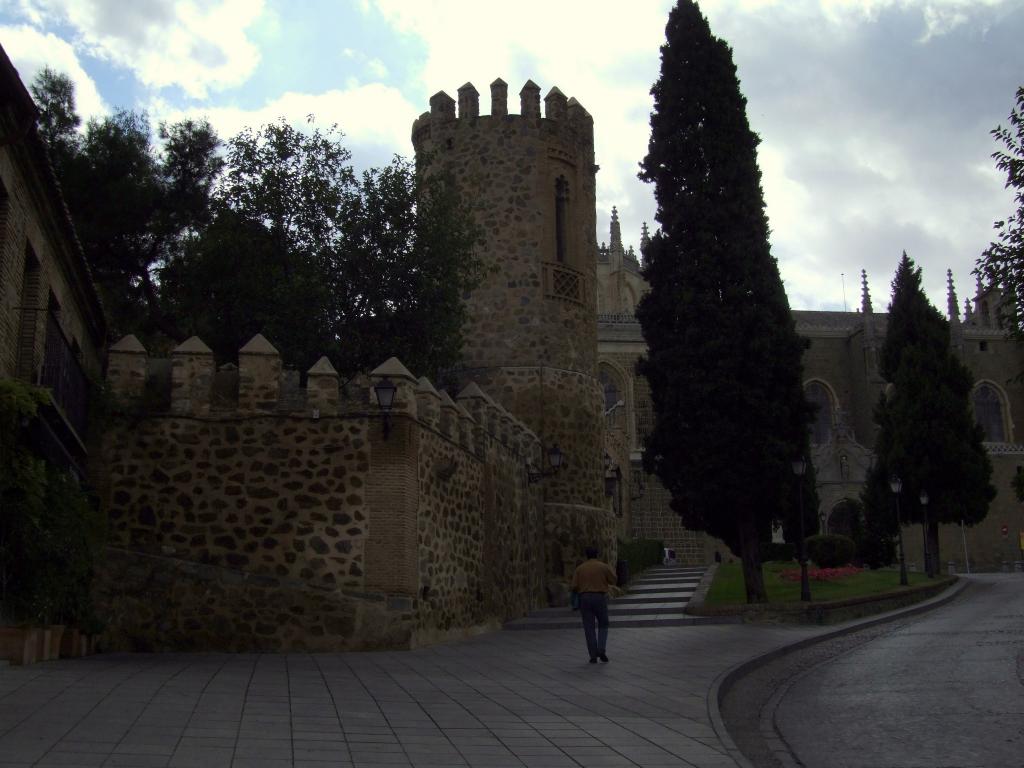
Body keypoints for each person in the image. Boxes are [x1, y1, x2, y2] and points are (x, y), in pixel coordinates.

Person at [571, 546, 617, 663]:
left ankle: (592, 655)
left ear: (586, 555)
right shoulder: (603, 567)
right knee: (603, 624)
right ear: (597, 554)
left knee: (589, 627)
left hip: (584, 598)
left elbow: (574, 586)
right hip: (599, 597)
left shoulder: (580, 569)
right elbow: (613, 580)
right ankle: (601, 649)